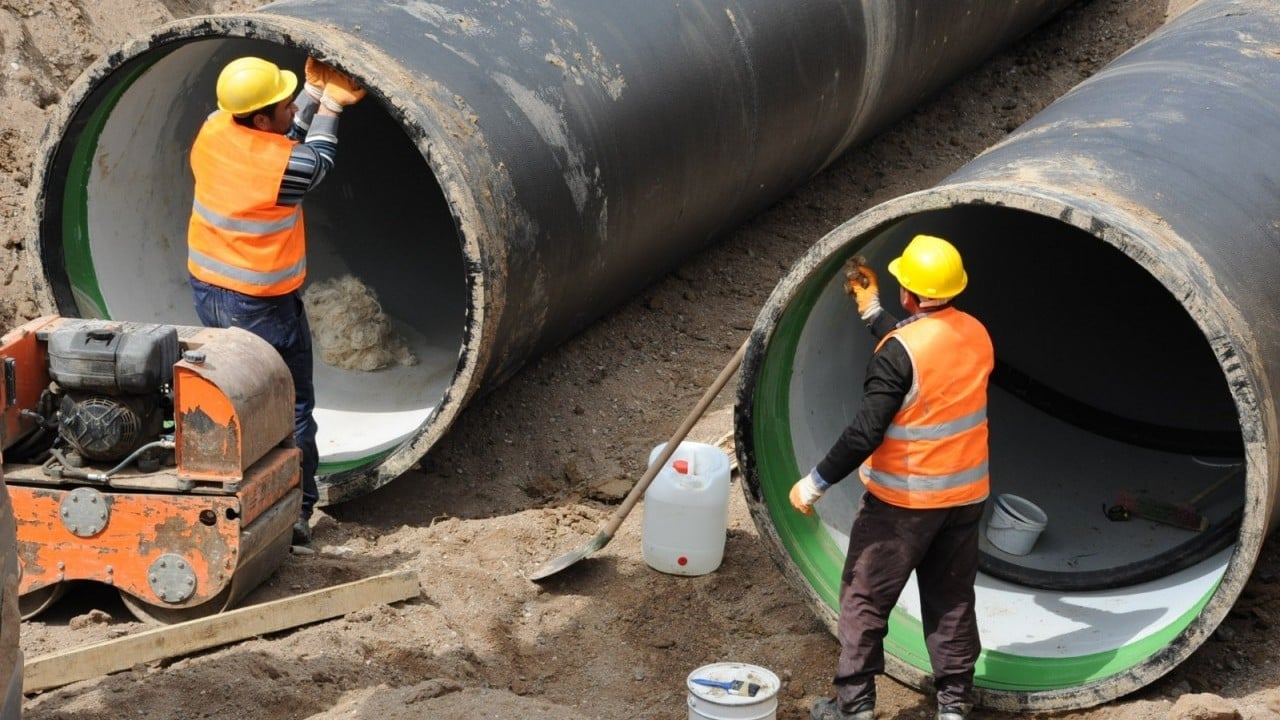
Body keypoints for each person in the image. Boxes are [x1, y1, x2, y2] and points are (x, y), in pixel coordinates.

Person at [789, 234, 993, 720]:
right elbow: (924, 352)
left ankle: (854, 707)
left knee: (864, 599)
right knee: (951, 600)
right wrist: (871, 312)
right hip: (965, 499)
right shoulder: (976, 332)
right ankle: (953, 707)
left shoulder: (898, 353)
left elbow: (865, 431)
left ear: (909, 293)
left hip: (904, 504)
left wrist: (815, 482)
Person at [186, 55, 366, 546]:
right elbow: (316, 161)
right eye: (287, 103)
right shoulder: (288, 168)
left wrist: (309, 93)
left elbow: (278, 137)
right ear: (263, 119)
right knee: (291, 406)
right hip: (261, 307)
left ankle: (240, 493)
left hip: (208, 290)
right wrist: (330, 106)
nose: (294, 108)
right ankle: (298, 510)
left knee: (236, 392)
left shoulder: (214, 127)